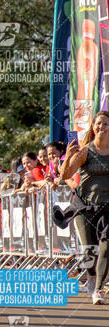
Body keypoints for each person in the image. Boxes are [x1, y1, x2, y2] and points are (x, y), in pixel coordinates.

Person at [60, 111, 109, 305]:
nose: (101, 127)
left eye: (105, 124)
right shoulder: (86, 151)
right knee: (90, 249)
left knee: (107, 245)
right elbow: (65, 175)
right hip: (85, 206)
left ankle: (98, 289)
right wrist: (68, 157)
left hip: (108, 207)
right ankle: (90, 276)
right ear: (93, 127)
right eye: (98, 124)